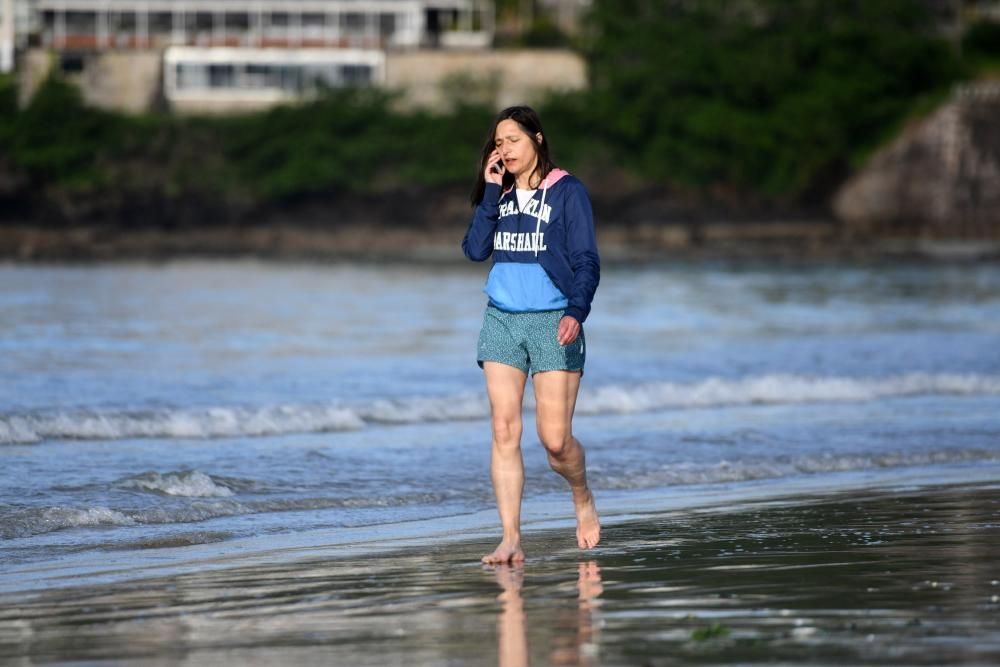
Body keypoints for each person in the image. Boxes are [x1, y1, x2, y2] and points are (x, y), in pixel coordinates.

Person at [463, 105, 601, 564]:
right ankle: (510, 539)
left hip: (554, 319)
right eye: (498, 142)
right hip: (502, 318)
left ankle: (581, 496)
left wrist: (576, 312)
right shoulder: (497, 195)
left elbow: (587, 261)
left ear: (537, 139)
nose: (505, 149)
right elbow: (475, 249)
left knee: (556, 442)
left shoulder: (567, 192)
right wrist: (488, 192)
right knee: (504, 429)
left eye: (513, 140)